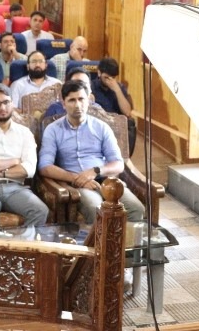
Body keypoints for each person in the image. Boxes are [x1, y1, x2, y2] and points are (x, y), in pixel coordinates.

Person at [38, 81, 144, 225]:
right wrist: (78, 178)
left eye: (81, 99)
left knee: (136, 209)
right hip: (78, 185)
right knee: (96, 209)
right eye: (71, 100)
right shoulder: (53, 129)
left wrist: (95, 171)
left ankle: (124, 247)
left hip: (107, 180)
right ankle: (99, 248)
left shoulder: (101, 127)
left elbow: (118, 164)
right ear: (63, 104)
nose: (77, 105)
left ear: (89, 100)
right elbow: (44, 167)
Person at [0, 84, 49, 236]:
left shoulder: (25, 132)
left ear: (12, 103)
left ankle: (21, 252)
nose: (2, 107)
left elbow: (29, 170)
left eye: (6, 102)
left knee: (40, 211)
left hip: (16, 188)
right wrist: (14, 161)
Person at [91, 56, 137, 155]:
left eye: (113, 78)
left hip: (115, 125)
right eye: (106, 77)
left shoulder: (119, 87)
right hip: (98, 124)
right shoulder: (91, 87)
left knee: (130, 123)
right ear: (99, 73)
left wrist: (117, 90)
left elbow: (127, 112)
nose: (110, 81)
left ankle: (125, 157)